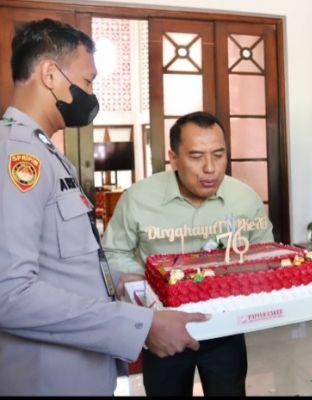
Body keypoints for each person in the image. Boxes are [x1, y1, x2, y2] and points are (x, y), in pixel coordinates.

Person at [0, 19, 207, 396]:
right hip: (50, 378)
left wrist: (116, 278)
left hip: (79, 368)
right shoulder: (17, 158)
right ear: (50, 74)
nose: (91, 93)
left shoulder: (45, 152)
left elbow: (59, 260)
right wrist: (140, 326)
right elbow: (10, 294)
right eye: (88, 80)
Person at [102, 111, 274, 396]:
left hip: (225, 328)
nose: (210, 168)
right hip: (163, 329)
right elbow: (113, 252)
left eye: (219, 155)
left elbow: (264, 252)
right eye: (196, 156)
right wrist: (147, 288)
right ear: (174, 158)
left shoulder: (244, 198)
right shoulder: (139, 198)